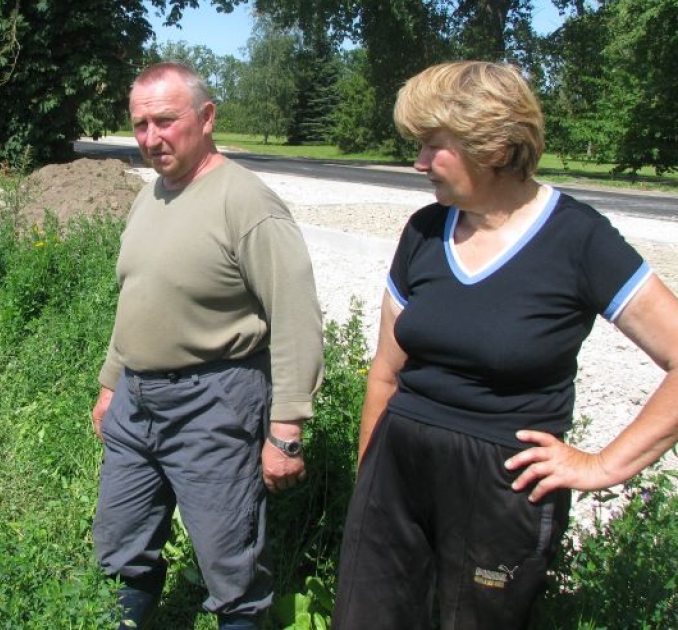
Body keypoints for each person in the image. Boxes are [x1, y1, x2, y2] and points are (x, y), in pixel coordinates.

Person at [332, 61, 678, 629]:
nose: (418, 162)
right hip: (396, 470)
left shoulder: (578, 239)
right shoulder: (423, 230)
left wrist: (603, 465)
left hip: (499, 485)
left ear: (491, 145)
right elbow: (385, 373)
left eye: (431, 146)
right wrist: (370, 476)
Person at [91, 61, 325, 630]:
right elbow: (138, 296)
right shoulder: (151, 197)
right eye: (140, 124)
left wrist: (287, 427)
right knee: (120, 545)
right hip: (136, 404)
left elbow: (295, 316)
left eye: (166, 121)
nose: (151, 138)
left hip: (213, 402)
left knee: (230, 568)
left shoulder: (246, 203)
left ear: (207, 117)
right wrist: (110, 383)